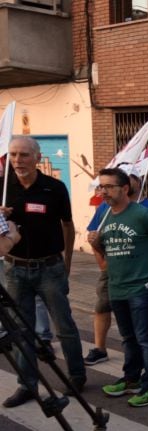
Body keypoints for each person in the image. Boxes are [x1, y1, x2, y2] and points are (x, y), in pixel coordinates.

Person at [1, 136, 87, 408]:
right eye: (13, 154)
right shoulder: (2, 187)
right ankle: (26, 384)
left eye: (24, 155)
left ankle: (76, 376)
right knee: (20, 330)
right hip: (15, 269)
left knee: (64, 325)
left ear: (37, 158)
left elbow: (67, 225)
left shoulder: (54, 188)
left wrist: (68, 262)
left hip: (50, 268)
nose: (18, 161)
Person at [88, 167, 148, 407]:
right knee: (128, 338)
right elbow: (105, 253)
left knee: (146, 338)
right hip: (117, 286)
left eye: (109, 187)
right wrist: (96, 245)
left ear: (125, 188)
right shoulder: (105, 214)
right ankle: (131, 378)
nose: (103, 192)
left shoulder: (142, 214)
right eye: (101, 187)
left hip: (142, 287)